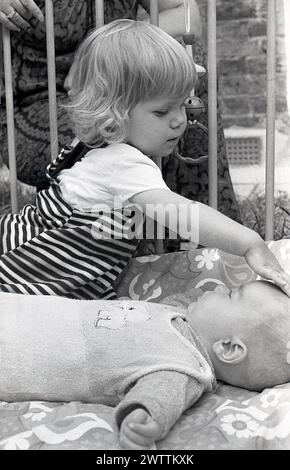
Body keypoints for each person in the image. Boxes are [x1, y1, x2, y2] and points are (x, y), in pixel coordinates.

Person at [0, 19, 289, 299]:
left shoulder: (92, 149)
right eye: (162, 112)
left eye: (182, 105)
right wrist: (249, 243)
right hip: (27, 272)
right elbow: (183, 214)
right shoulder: (124, 163)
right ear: (113, 113)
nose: (179, 121)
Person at [0, 0, 241, 223]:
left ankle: (204, 240)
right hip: (35, 101)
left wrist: (102, 51)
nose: (181, 120)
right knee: (119, 129)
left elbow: (186, 14)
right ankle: (137, 242)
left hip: (121, 83)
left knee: (186, 65)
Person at [1, 280, 290, 450]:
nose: (219, 287)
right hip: (31, 311)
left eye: (230, 295)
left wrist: (144, 419)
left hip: (22, 351)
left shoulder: (183, 367)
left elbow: (159, 396)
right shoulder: (183, 314)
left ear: (228, 348)